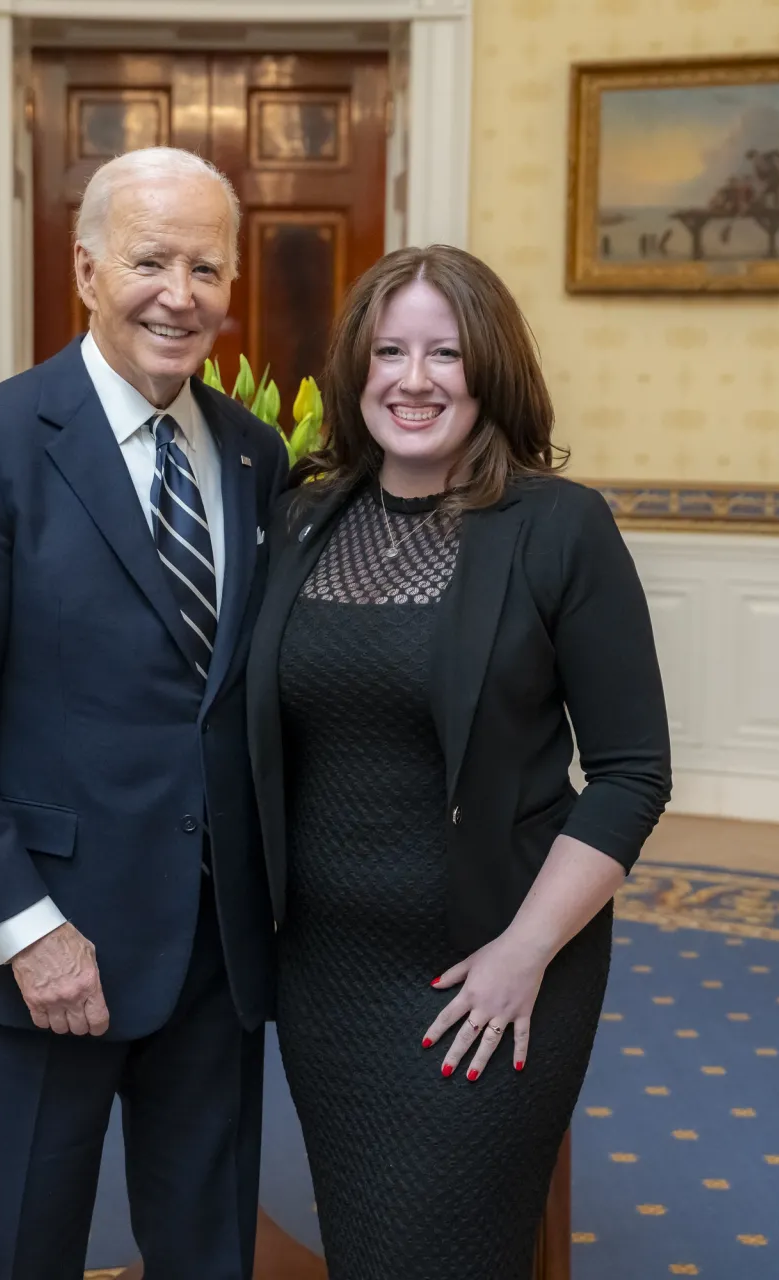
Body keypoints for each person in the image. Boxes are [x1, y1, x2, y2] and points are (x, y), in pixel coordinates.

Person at [0, 147, 289, 1279]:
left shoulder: (256, 457)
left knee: (210, 1253)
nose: (180, 292)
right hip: (50, 954)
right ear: (85, 269)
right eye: (150, 259)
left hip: (217, 951)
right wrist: (30, 928)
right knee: (20, 1248)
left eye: (206, 266)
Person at [247, 244, 672, 1277]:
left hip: (489, 969)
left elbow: (631, 772)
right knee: (367, 1241)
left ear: (491, 368)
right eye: (389, 349)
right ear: (356, 369)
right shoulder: (304, 516)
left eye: (445, 351)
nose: (414, 377)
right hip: (326, 977)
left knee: (433, 1249)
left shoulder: (560, 527)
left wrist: (524, 950)